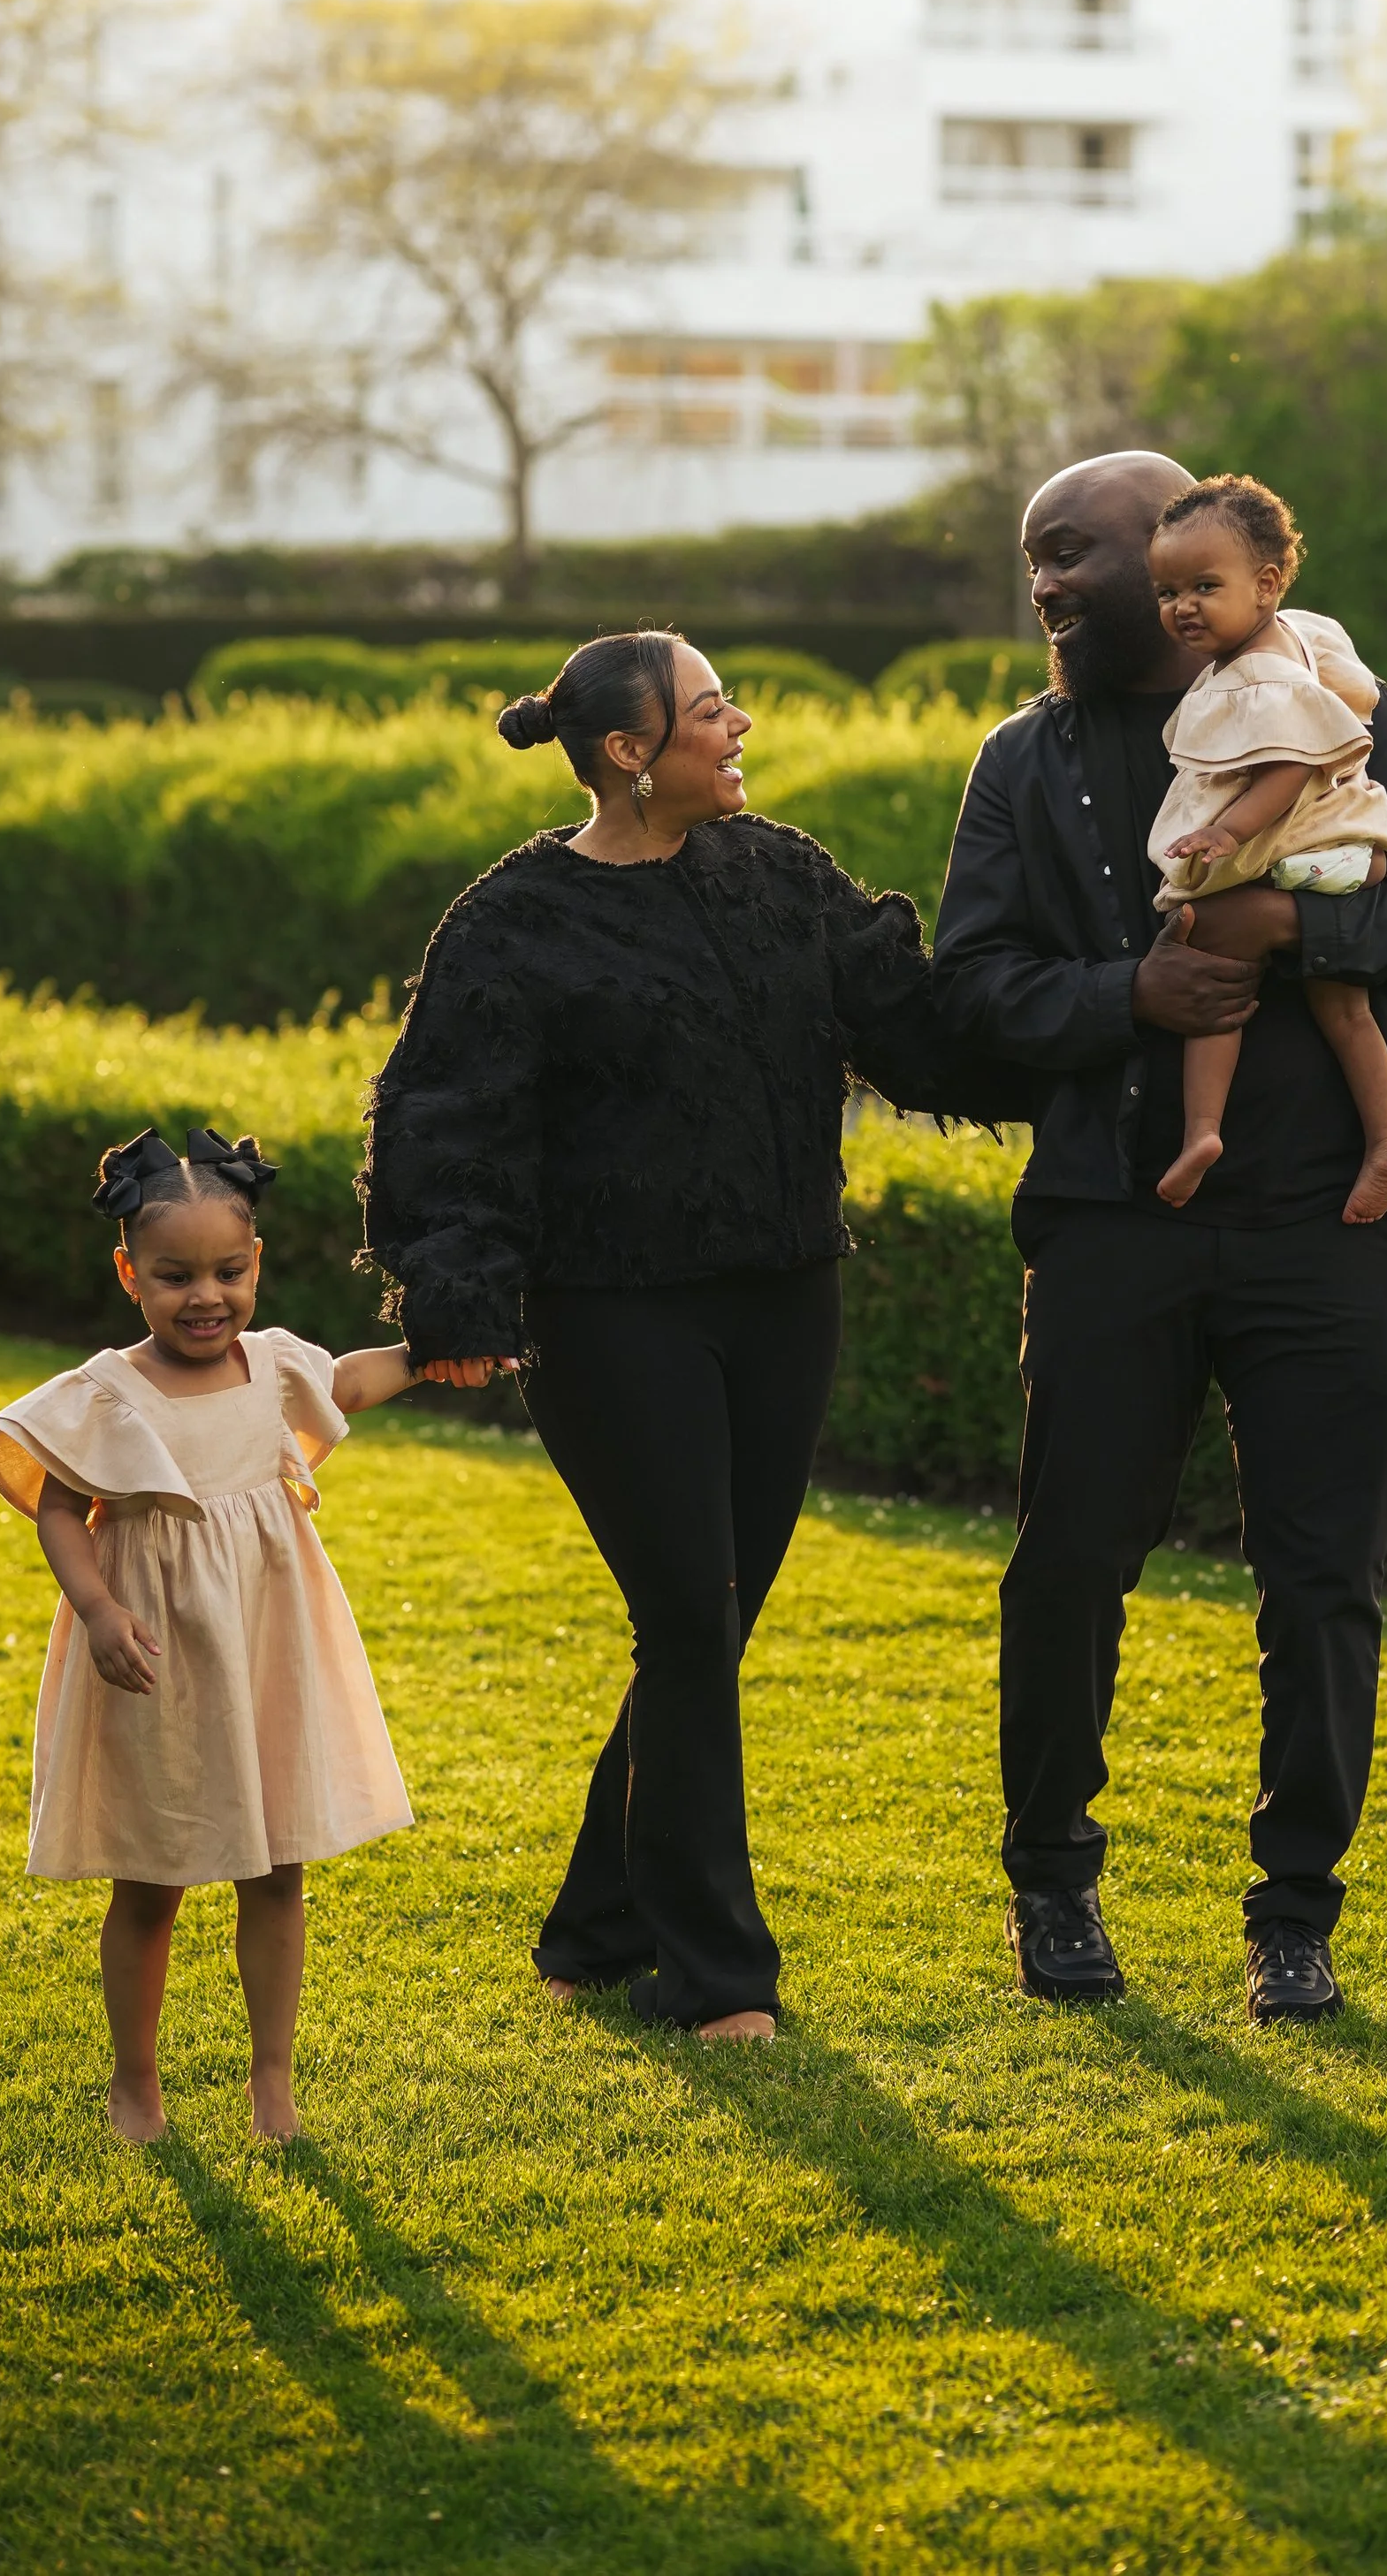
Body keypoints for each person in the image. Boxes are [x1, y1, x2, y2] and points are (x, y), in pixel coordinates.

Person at [360, 629, 1010, 2044]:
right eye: (712, 710)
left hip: (784, 1294)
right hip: (610, 1316)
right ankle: (717, 1974)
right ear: (626, 750)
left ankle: (596, 1926)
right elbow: (448, 1116)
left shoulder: (782, 872)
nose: (741, 726)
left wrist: (1115, 1003)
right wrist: (459, 1299)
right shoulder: (513, 918)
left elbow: (918, 1022)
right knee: (685, 1619)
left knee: (709, 1627)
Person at [931, 452, 1387, 2025]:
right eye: (1032, 559)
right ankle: (1053, 1884)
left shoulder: (1326, 690)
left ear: (1187, 557)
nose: (1046, 584)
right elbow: (969, 989)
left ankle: (1295, 1917)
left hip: (1340, 1222)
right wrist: (1132, 994)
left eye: (1077, 554)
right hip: (1120, 1221)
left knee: (1323, 1585)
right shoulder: (1018, 764)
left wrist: (1298, 932)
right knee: (1067, 1569)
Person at [0, 1124, 416, 2143]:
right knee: (154, 1874)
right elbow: (56, 1504)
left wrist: (431, 1353)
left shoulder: (270, 1370)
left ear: (255, 1263)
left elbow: (348, 1385)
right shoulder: (107, 1392)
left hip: (269, 1645)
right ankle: (137, 2081)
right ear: (130, 1272)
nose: (204, 1296)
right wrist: (96, 1609)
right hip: (158, 1655)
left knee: (278, 1868)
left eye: (227, 1271)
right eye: (175, 1276)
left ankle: (272, 2079)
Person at [1144, 474, 1387, 1221]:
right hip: (1346, 851)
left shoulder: (1258, 673)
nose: (1181, 607)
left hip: (1305, 849)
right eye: (1166, 592)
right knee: (1347, 1009)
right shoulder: (1304, 633)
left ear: (1264, 584)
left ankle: (1202, 1132)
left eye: (1202, 586)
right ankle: (1385, 1139)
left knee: (1213, 971)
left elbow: (1289, 765)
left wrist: (1224, 833)